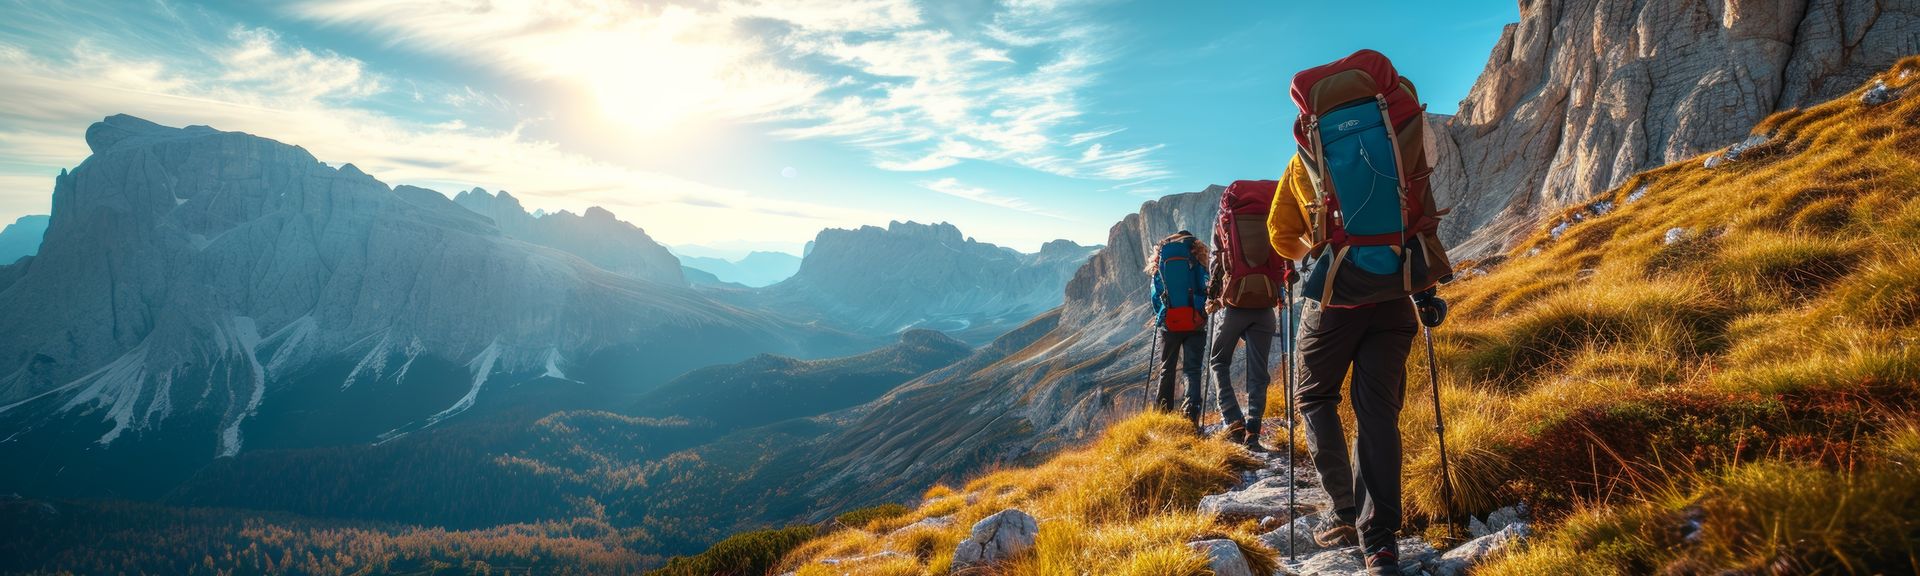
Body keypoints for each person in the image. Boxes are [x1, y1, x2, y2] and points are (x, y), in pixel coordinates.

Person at [1268, 153, 1446, 574]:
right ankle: (1380, 545)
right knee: (1377, 414)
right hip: (1394, 296)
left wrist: (1315, 252)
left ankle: (1344, 510)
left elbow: (1280, 235)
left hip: (1334, 297)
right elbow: (1420, 222)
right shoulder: (1396, 151)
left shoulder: (1303, 162)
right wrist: (1424, 292)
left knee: (1314, 397)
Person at [1206, 226, 1282, 452]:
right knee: (1258, 370)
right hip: (1265, 306)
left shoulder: (1225, 218)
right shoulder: (1269, 217)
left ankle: (1232, 420)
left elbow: (1216, 261)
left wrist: (1213, 297)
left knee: (1219, 361)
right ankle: (1253, 429)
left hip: (1235, 306)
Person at [1146, 231, 1211, 432]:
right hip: (1195, 323)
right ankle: (1191, 415)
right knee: (1192, 369)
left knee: (1167, 368)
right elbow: (1206, 287)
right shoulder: (1198, 258)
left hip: (1170, 323)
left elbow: (1155, 295)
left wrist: (1164, 315)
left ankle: (1162, 416)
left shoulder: (1162, 261)